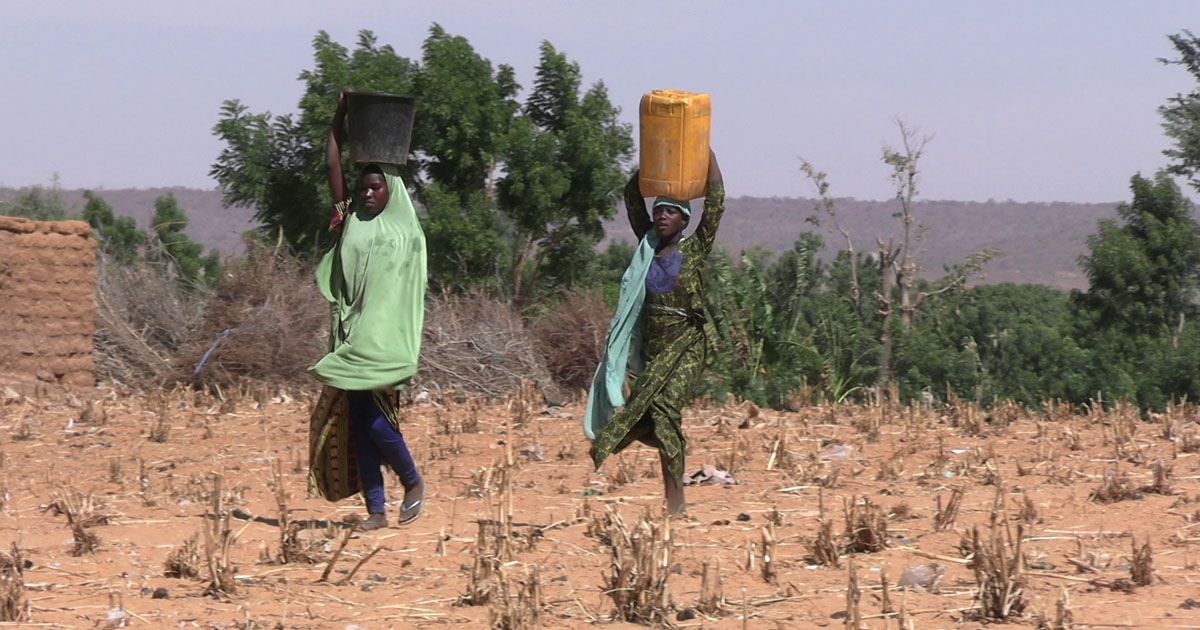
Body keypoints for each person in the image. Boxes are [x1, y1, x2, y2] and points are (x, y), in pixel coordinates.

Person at [307, 92, 427, 531]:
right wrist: (339, 116)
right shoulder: (348, 218)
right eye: (363, 188)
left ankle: (413, 482)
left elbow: (409, 289)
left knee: (377, 424)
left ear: (390, 189)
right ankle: (376, 511)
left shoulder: (405, 231)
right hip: (351, 340)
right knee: (359, 425)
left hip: (384, 343)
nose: (367, 193)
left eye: (375, 187)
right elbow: (332, 167)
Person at [586, 149, 724, 515]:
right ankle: (672, 499)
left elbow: (716, 205)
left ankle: (676, 502)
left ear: (684, 220)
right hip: (655, 350)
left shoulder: (695, 250)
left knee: (664, 409)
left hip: (687, 345)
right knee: (659, 420)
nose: (662, 216)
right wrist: (653, 155)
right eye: (659, 210)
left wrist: (704, 152)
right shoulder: (645, 249)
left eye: (671, 212)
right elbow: (632, 196)